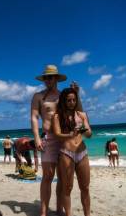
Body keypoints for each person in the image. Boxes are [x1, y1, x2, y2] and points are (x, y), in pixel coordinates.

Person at [31, 65, 82, 216]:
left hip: (64, 138)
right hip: (48, 139)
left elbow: (76, 112)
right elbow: (34, 118)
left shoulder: (63, 96)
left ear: (57, 78)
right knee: (47, 176)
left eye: (51, 77)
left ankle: (60, 209)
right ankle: (43, 212)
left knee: (62, 177)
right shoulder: (38, 97)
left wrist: (77, 95)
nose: (48, 80)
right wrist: (36, 137)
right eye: (46, 77)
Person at [52, 88, 92, 216]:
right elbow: (57, 134)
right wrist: (70, 134)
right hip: (66, 153)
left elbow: (89, 134)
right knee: (67, 188)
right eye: (69, 100)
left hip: (82, 153)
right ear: (64, 101)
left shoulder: (82, 115)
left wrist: (83, 129)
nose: (72, 102)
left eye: (74, 100)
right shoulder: (57, 116)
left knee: (85, 187)